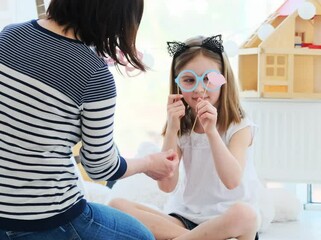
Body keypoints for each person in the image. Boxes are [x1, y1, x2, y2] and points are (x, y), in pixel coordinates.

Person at [0, 0, 179, 239]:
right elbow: (100, 167)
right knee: (142, 236)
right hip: (48, 219)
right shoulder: (95, 74)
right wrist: (149, 163)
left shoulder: (10, 34)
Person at [109, 34, 262, 240]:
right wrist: (172, 129)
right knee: (116, 206)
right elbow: (167, 186)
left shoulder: (239, 125)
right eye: (189, 80)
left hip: (227, 221)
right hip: (186, 220)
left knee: (247, 215)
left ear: (223, 79)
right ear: (178, 83)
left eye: (209, 79)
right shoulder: (182, 125)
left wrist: (211, 132)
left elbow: (232, 181)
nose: (200, 89)